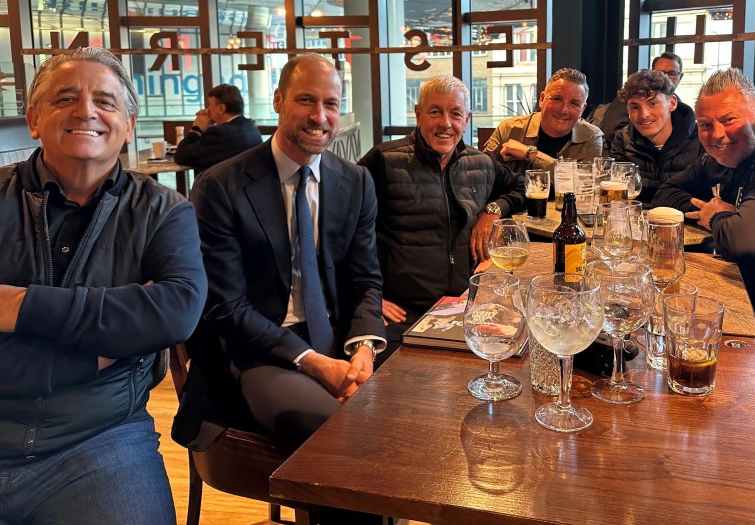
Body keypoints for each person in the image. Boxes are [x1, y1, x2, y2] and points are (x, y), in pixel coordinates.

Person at [0, 47, 206, 523]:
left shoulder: (163, 211)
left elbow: (176, 311)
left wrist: (18, 307)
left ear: (128, 125)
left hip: (101, 437)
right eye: (65, 98)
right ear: (34, 119)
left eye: (106, 102)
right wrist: (101, 351)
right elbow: (149, 318)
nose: (87, 111)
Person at [181, 54, 385, 453]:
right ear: (277, 101)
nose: (320, 116)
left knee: (421, 406)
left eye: (331, 104)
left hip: (338, 336)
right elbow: (225, 307)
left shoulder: (356, 181)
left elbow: (366, 278)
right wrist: (314, 362)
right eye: (306, 100)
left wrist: (363, 345)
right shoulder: (221, 187)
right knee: (338, 435)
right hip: (259, 351)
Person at [359, 75, 525, 342]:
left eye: (455, 114)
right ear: (418, 114)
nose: (445, 124)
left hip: (465, 305)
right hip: (400, 312)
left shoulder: (481, 163)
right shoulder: (384, 160)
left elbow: (522, 187)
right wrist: (367, 297)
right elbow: (343, 233)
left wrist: (492, 210)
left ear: (467, 119)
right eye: (435, 112)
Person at [652, 67, 755, 333]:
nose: (717, 134)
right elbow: (665, 194)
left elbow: (743, 241)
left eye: (729, 120)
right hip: (734, 293)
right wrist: (712, 211)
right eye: (705, 125)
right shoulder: (716, 158)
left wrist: (717, 217)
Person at [483, 67, 601, 174]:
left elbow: (584, 183)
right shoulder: (509, 129)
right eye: (557, 99)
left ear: (583, 109)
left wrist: (530, 154)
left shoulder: (591, 136)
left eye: (574, 103)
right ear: (542, 99)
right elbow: (482, 172)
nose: (564, 110)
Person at [606, 69, 701, 203]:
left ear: (672, 103)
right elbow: (618, 192)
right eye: (635, 107)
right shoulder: (623, 139)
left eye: (652, 104)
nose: (644, 114)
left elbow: (701, 194)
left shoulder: (700, 139)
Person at [590, 52, 693, 149]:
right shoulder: (630, 95)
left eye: (672, 73)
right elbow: (612, 131)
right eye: (660, 73)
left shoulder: (692, 135)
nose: (665, 77)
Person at [173, 83, 263, 171]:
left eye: (210, 104)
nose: (208, 109)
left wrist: (196, 129)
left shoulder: (219, 133)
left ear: (221, 108)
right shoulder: (251, 128)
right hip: (248, 184)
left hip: (220, 185)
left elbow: (182, 156)